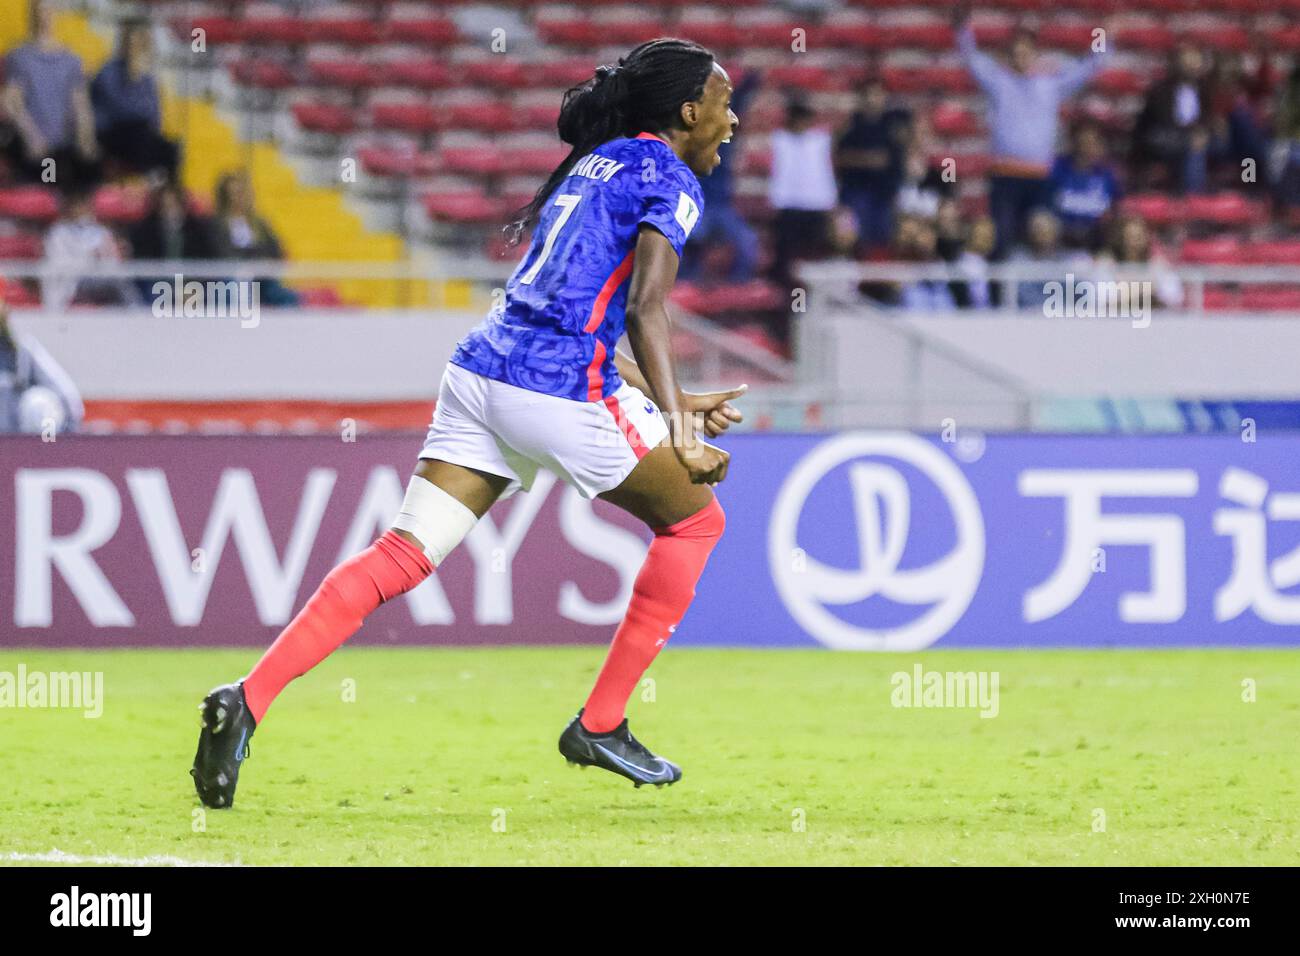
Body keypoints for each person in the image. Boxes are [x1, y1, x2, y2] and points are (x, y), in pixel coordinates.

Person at [191, 38, 748, 808]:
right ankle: (602, 721)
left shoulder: (599, 161)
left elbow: (565, 312)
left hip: (482, 373)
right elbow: (648, 307)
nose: (734, 117)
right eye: (724, 103)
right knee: (695, 525)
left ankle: (245, 700)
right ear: (690, 111)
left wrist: (673, 403)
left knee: (400, 555)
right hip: (556, 389)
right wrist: (681, 429)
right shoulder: (671, 179)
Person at [953, 2, 1110, 256]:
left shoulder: (1049, 85)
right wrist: (962, 29)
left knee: (1042, 239)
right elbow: (971, 60)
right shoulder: (998, 81)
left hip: (1040, 176)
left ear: (1034, 54)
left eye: (1026, 52)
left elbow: (1089, 68)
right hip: (1004, 174)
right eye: (1016, 52)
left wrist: (1105, 37)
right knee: (1001, 240)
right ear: (1009, 54)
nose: (1020, 57)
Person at [1, 0, 101, 194]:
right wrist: (31, 135)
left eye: (48, 12)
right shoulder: (19, 57)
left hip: (64, 143)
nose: (43, 17)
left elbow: (80, 104)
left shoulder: (71, 60)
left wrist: (86, 136)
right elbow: (12, 101)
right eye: (39, 12)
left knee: (90, 168)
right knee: (50, 174)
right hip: (38, 145)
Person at [682, 68, 761, 282]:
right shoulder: (690, 142)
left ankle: (738, 285)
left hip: (722, 206)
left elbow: (735, 106)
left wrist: (749, 83)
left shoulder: (724, 143)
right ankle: (686, 282)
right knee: (691, 238)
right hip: (698, 205)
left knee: (748, 242)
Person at [91, 19, 179, 180]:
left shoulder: (148, 78)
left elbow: (154, 113)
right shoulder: (108, 72)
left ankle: (166, 192)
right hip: (111, 134)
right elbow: (122, 108)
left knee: (171, 148)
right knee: (141, 135)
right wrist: (133, 77)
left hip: (140, 135)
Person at [768, 95, 837, 294]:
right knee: (787, 261)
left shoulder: (820, 141)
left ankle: (807, 299)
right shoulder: (779, 139)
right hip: (788, 207)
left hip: (816, 207)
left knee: (814, 259)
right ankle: (790, 301)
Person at [835, 77, 911, 251]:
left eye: (877, 94)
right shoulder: (851, 125)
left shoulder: (892, 125)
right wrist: (868, 159)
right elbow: (840, 156)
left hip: (884, 193)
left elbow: (899, 156)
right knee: (858, 240)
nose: (873, 99)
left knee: (884, 240)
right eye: (869, 94)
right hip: (857, 191)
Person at [0, 278, 84, 434]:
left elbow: (66, 395)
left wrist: (69, 433)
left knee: (40, 402)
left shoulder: (22, 349)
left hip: (18, 437)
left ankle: (46, 451)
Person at [1132, 43, 1212, 194]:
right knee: (1194, 147)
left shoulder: (1205, 89)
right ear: (1176, 64)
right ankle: (1192, 198)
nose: (1191, 66)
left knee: (1210, 143)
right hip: (1160, 137)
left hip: (1193, 139)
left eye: (1195, 62)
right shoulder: (1161, 90)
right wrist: (1193, 134)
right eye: (1186, 62)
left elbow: (1208, 118)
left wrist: (1203, 132)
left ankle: (1249, 185)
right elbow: (1163, 121)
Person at [211, 170, 299, 306]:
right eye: (234, 193)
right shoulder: (217, 224)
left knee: (288, 297)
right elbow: (222, 252)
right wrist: (249, 261)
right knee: (238, 288)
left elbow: (275, 249)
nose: (240, 197)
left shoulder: (259, 223)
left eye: (242, 193)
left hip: (262, 275)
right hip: (233, 275)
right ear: (226, 196)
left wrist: (262, 262)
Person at [128, 180, 216, 298]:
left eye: (174, 204)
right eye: (165, 205)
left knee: (202, 295)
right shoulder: (146, 230)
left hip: (191, 282)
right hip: (156, 283)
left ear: (182, 205)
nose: (170, 209)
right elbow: (143, 260)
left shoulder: (197, 229)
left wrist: (190, 284)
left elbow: (205, 259)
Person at [1049, 122, 1122, 251]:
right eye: (1082, 143)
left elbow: (1115, 207)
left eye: (1092, 144)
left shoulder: (1107, 175)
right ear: (1073, 144)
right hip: (1061, 236)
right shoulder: (1057, 170)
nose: (1086, 149)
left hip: (1096, 238)